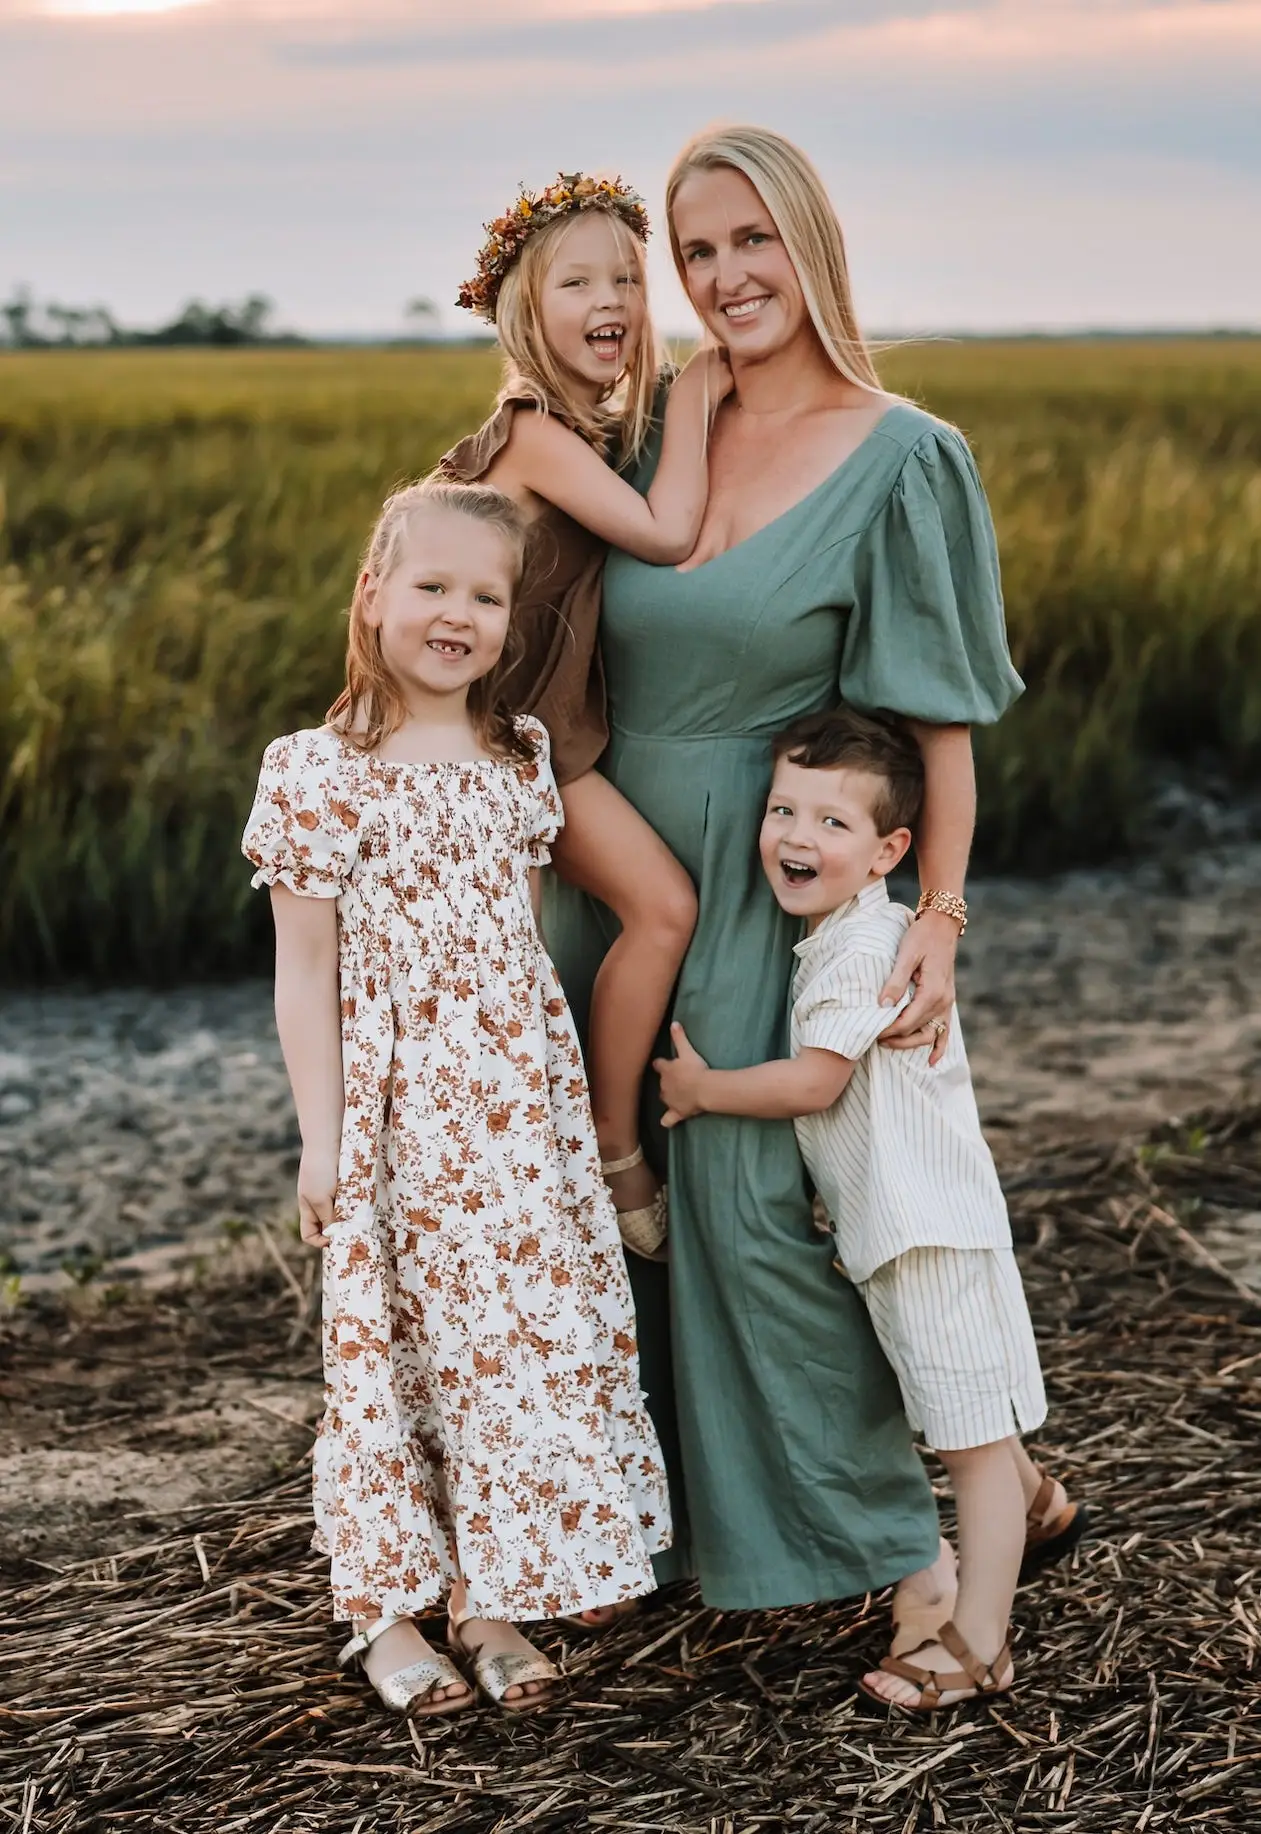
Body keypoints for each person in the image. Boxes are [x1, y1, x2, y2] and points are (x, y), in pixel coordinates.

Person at [545, 122, 1065, 1654]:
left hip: (758, 878)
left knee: (752, 1206)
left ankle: (908, 1553)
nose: (722, 277)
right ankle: (678, 1520)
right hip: (611, 861)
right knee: (595, 1211)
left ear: (810, 242)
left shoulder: (908, 457)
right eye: (695, 252)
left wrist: (941, 925)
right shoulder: (648, 428)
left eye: (749, 240)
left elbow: (934, 729)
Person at [241, 478, 670, 1718]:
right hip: (393, 1111)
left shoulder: (518, 759)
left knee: (502, 1350)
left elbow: (517, 953)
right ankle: (381, 1615)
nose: (457, 615)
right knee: (388, 1353)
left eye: (485, 596)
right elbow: (305, 973)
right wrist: (324, 1140)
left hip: (514, 1120)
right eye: (431, 586)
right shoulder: (319, 769)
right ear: (373, 595)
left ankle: (492, 1593)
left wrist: (545, 1110)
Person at [656, 707, 1085, 1709]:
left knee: (964, 1439)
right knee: (963, 1409)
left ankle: (980, 1639)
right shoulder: (842, 934)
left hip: (925, 1230)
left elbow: (812, 1082)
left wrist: (702, 1090)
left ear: (892, 849)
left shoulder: (863, 951)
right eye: (781, 810)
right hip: (901, 1229)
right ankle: (1035, 1499)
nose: (796, 838)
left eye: (831, 823)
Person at [442, 172, 731, 1264]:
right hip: (506, 745)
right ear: (528, 309)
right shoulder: (530, 432)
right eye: (577, 281)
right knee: (660, 909)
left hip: (539, 738)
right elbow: (665, 536)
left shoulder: (587, 429)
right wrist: (700, 394)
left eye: (625, 275)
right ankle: (614, 1145)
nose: (610, 296)